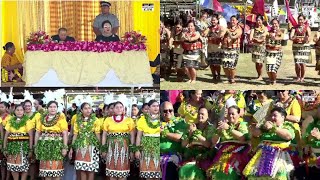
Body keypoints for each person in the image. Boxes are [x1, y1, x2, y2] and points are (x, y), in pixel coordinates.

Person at [243, 107, 295, 179]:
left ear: (282, 117)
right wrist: (254, 126)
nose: (272, 117)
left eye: (275, 115)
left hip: (279, 157)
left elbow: (288, 136)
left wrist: (273, 128)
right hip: (263, 156)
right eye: (271, 116)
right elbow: (256, 134)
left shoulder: (288, 126)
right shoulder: (265, 127)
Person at [208, 105, 250, 180]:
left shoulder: (242, 124)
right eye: (229, 114)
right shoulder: (224, 125)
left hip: (238, 154)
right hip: (223, 153)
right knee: (217, 171)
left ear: (238, 114)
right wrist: (218, 131)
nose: (230, 116)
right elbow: (214, 141)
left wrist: (229, 129)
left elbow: (243, 138)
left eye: (233, 114)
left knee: (229, 171)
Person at [34, 101, 68, 178]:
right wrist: (36, 146)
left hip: (56, 146)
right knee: (46, 171)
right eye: (50, 107)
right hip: (44, 147)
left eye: (54, 107)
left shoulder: (61, 118)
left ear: (57, 108)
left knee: (56, 170)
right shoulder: (41, 119)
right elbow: (37, 133)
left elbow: (65, 134)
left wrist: (64, 147)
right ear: (47, 108)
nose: (52, 109)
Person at [101, 101, 135, 179]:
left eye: (121, 107)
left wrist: (132, 150)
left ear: (123, 109)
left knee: (122, 172)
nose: (119, 109)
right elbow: (104, 135)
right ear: (113, 109)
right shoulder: (108, 120)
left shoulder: (129, 120)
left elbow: (132, 136)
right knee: (112, 173)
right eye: (117, 107)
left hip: (124, 149)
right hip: (111, 148)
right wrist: (103, 149)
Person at [179, 107, 215, 180]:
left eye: (202, 114)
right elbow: (183, 144)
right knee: (184, 169)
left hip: (205, 155)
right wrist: (190, 133)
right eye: (198, 114)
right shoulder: (192, 126)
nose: (200, 116)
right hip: (191, 155)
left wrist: (196, 133)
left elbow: (208, 144)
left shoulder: (211, 128)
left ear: (208, 116)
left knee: (198, 171)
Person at [69, 103, 101, 180]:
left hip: (92, 146)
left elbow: (97, 134)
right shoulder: (78, 120)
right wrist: (71, 148)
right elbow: (75, 135)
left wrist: (100, 147)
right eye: (85, 108)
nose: (88, 110)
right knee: (82, 169)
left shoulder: (95, 120)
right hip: (81, 146)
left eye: (89, 108)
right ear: (81, 110)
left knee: (91, 169)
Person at [2, 105, 34, 180]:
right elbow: (6, 136)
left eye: (21, 110)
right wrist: (4, 148)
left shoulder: (27, 121)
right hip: (12, 147)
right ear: (14, 111)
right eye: (17, 110)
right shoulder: (10, 121)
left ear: (24, 111)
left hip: (23, 147)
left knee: (24, 167)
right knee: (13, 166)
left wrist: (30, 149)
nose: (19, 112)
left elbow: (31, 136)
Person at [160, 101, 188, 180]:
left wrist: (164, 133)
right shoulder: (157, 123)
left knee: (168, 166)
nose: (168, 112)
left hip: (173, 155)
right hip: (158, 155)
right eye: (165, 111)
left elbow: (179, 138)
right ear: (161, 112)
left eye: (170, 110)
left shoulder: (179, 122)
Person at [135, 100, 161, 179]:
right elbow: (139, 136)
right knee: (148, 173)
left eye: (157, 106)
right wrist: (137, 150)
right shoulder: (142, 119)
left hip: (158, 146)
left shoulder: (162, 118)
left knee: (158, 173)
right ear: (149, 108)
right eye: (153, 106)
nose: (156, 108)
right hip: (146, 147)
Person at [290, 14, 312, 82]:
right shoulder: (294, 28)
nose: (300, 21)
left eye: (301, 19)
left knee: (302, 63)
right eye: (299, 19)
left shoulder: (307, 27)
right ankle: (298, 77)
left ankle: (302, 77)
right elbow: (291, 37)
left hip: (304, 47)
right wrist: (295, 38)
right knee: (297, 63)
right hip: (296, 47)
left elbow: (309, 37)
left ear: (304, 20)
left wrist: (305, 39)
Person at [221, 16, 242, 84]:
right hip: (226, 48)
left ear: (237, 21)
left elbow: (234, 37)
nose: (232, 21)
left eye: (234, 20)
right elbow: (221, 35)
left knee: (232, 66)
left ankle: (232, 79)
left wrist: (228, 32)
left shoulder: (239, 29)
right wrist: (222, 31)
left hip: (234, 49)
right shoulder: (227, 28)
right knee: (225, 65)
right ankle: (228, 78)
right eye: (231, 20)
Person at [206, 14, 226, 81]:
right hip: (210, 47)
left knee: (217, 63)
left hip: (217, 47)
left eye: (214, 20)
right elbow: (204, 34)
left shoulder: (221, 27)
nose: (213, 21)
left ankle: (219, 75)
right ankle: (214, 76)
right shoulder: (209, 28)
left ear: (217, 20)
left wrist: (218, 36)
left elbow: (222, 34)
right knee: (211, 63)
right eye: (212, 20)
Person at [265, 19, 284, 85]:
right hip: (269, 52)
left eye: (276, 23)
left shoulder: (281, 32)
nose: (274, 25)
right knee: (268, 69)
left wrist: (275, 38)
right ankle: (271, 80)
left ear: (278, 24)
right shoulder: (268, 32)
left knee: (273, 69)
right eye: (273, 23)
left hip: (277, 53)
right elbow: (266, 40)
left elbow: (281, 37)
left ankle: (274, 80)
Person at [249, 15, 268, 80]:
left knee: (260, 62)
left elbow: (264, 38)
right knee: (257, 62)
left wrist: (257, 40)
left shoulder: (265, 28)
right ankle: (259, 75)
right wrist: (257, 40)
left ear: (262, 21)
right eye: (257, 20)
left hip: (262, 47)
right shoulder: (253, 29)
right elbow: (251, 38)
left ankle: (261, 75)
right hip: (255, 48)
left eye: (259, 20)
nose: (258, 21)